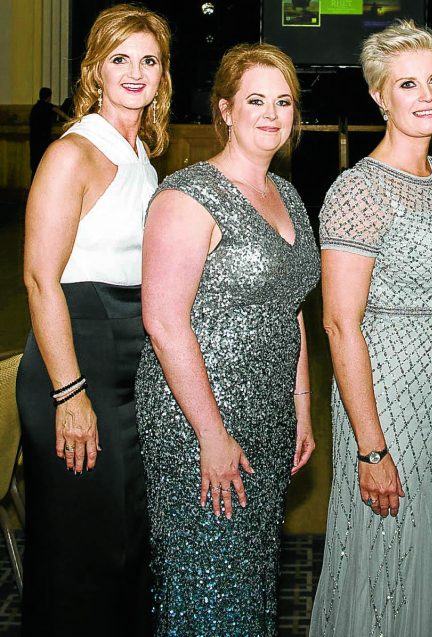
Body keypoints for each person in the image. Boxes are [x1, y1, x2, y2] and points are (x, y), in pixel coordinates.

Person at [135, 43, 319, 635]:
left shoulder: (286, 196)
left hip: (268, 418)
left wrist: (302, 411)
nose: (271, 113)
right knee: (204, 584)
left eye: (283, 101)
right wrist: (210, 436)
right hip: (198, 420)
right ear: (226, 111)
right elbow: (164, 323)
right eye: (255, 100)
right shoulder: (188, 195)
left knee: (249, 577)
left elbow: (290, 310)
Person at [310, 20, 432, 636]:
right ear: (380, 96)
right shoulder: (358, 190)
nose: (428, 94)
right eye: (409, 84)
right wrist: (371, 447)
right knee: (389, 548)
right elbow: (339, 324)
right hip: (389, 391)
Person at [16, 5, 171, 636]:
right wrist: (69, 394)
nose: (135, 73)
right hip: (75, 354)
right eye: (120, 59)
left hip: (128, 358)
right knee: (87, 546)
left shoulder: (143, 155)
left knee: (127, 539)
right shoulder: (73, 154)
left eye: (149, 60)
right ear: (94, 70)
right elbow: (38, 279)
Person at [28, 87, 68, 176]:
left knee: (35, 165)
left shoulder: (35, 107)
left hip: (34, 139)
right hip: (44, 139)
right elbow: (64, 115)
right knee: (44, 164)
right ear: (49, 97)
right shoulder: (49, 107)